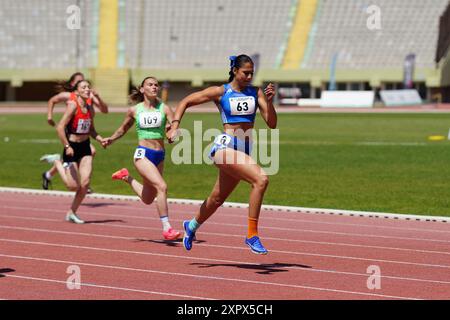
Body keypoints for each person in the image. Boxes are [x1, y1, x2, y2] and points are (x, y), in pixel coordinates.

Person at [167, 54, 277, 255]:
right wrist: (175, 127)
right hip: (225, 147)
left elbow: (272, 123)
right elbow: (185, 101)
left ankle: (191, 226)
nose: (249, 76)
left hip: (244, 149)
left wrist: (269, 102)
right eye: (245, 72)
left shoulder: (256, 93)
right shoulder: (221, 91)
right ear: (235, 71)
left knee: (217, 199)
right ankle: (252, 235)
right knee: (261, 179)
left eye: (252, 73)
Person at [103, 76, 181, 240]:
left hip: (159, 154)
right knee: (162, 186)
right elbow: (123, 128)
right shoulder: (134, 110)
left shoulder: (165, 108)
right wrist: (111, 139)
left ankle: (126, 176)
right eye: (150, 85)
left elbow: (172, 127)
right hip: (143, 154)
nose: (154, 87)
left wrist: (173, 134)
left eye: (156, 85)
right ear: (142, 89)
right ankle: (167, 228)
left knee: (147, 198)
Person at [49, 79, 106, 223]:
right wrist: (67, 146)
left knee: (85, 184)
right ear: (77, 91)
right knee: (72, 186)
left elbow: (91, 130)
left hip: (85, 147)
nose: (87, 89)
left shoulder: (90, 108)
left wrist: (100, 139)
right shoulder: (73, 106)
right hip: (72, 148)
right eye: (84, 87)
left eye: (88, 87)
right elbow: (60, 127)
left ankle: (72, 212)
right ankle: (57, 163)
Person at [40, 72, 109, 192]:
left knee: (89, 152)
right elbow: (52, 100)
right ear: (74, 85)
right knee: (78, 154)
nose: (86, 88)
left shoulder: (90, 98)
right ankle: (63, 167)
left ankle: (82, 182)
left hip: (84, 135)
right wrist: (49, 116)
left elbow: (104, 110)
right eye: (80, 83)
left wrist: (98, 97)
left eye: (87, 84)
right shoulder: (68, 97)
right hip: (71, 133)